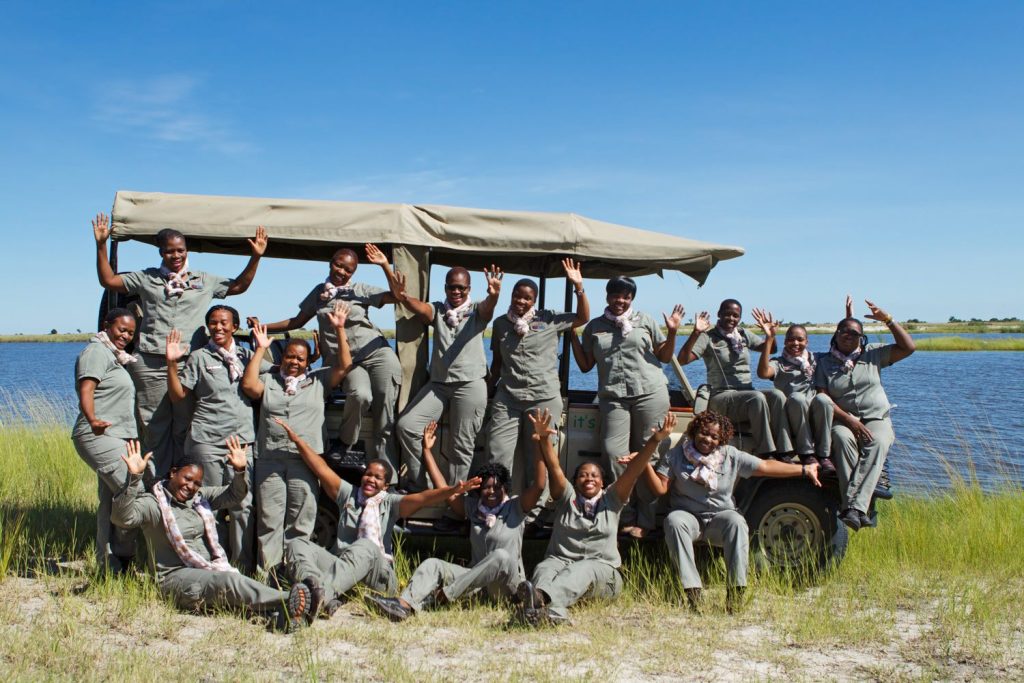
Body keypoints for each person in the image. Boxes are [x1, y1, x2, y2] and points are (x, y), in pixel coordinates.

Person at [92, 212, 268, 477]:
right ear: (161, 253)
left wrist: (256, 256)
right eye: (170, 252)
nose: (176, 256)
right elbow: (109, 281)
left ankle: (184, 485)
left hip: (189, 364)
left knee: (185, 426)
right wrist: (101, 244)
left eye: (181, 251)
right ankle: (158, 486)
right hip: (151, 362)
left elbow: (239, 286)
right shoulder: (147, 278)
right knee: (154, 427)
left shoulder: (202, 280)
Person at [275, 419, 480, 617]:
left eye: (378, 477)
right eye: (368, 474)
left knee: (365, 546)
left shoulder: (390, 502)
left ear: (385, 484)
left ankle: (317, 597)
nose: (371, 479)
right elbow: (321, 469)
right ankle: (317, 592)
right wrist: (298, 441)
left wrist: (453, 490)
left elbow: (423, 498)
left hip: (379, 576)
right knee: (297, 545)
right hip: (342, 564)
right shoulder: (349, 494)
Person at [111, 438, 312, 632]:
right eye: (187, 479)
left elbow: (234, 495)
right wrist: (133, 477)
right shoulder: (153, 504)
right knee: (228, 582)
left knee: (231, 588)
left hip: (209, 571)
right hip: (175, 579)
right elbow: (122, 519)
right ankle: (287, 599)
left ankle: (282, 616)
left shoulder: (199, 499)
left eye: (197, 483)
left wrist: (240, 470)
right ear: (173, 473)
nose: (190, 486)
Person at [634, 410, 820, 613]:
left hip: (720, 517)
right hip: (689, 516)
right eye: (704, 433)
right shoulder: (676, 455)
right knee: (674, 520)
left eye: (714, 437)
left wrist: (803, 469)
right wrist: (644, 465)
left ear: (721, 440)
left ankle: (736, 593)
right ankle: (693, 593)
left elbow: (765, 466)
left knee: (737, 522)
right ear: (694, 431)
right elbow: (660, 489)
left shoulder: (730, 456)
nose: (708, 439)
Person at [365, 419, 548, 621]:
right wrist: (427, 451)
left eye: (497, 487)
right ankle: (404, 605)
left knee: (501, 556)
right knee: (433, 564)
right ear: (479, 490)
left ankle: (446, 595)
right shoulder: (473, 508)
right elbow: (445, 491)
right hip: (475, 586)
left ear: (505, 488)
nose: (492, 491)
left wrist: (540, 443)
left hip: (506, 589)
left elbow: (539, 486)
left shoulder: (515, 507)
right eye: (486, 487)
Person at [247, 245, 403, 471]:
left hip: (376, 352)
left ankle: (387, 475)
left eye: (348, 270)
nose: (341, 271)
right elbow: (297, 322)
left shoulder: (360, 290)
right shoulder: (319, 294)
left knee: (385, 413)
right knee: (360, 395)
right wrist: (262, 327)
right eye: (338, 265)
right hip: (346, 361)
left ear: (353, 273)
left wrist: (384, 265)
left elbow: (397, 295)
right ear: (331, 262)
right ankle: (345, 442)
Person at [515, 409, 677, 626]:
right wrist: (544, 437)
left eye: (594, 475)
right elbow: (554, 467)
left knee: (584, 568)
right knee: (544, 568)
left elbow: (634, 470)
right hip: (560, 562)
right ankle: (549, 614)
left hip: (602, 573)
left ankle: (540, 600)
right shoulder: (566, 498)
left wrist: (655, 441)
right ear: (575, 480)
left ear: (602, 482)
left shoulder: (613, 499)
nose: (588, 478)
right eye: (583, 475)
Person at [241, 306, 353, 571]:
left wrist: (338, 328)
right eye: (290, 357)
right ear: (283, 359)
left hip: (306, 461)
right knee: (270, 519)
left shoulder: (318, 381)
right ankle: (268, 575)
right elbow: (248, 386)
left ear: (308, 362)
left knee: (301, 520)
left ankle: (297, 570)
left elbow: (345, 366)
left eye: (300, 359)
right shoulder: (269, 380)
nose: (294, 362)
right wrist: (260, 349)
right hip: (270, 459)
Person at [571, 275, 683, 538]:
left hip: (650, 394)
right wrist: (572, 336)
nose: (620, 301)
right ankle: (625, 513)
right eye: (616, 295)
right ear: (607, 296)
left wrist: (674, 332)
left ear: (632, 298)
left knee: (648, 454)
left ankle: (646, 519)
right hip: (614, 397)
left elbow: (664, 357)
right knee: (613, 452)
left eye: (626, 296)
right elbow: (586, 366)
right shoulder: (595, 327)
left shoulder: (645, 321)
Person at [383, 261, 503, 495]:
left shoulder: (477, 311)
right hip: (438, 385)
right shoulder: (438, 310)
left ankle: (455, 503)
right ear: (445, 288)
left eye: (462, 288)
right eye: (452, 287)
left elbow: (488, 308)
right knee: (407, 426)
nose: (456, 292)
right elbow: (419, 308)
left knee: (461, 446)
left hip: (470, 384)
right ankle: (422, 486)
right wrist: (404, 296)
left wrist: (495, 295)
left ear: (469, 289)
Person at [165, 305, 268, 571]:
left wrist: (263, 348)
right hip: (207, 442)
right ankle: (214, 566)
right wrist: (172, 364)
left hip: (241, 443)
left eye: (224, 323)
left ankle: (242, 569)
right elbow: (178, 397)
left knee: (242, 507)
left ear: (235, 327)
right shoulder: (199, 357)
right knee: (208, 507)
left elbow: (278, 374)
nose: (218, 328)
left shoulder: (248, 356)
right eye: (213, 323)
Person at [485, 259, 588, 500]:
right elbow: (498, 364)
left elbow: (583, 317)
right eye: (517, 296)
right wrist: (487, 391)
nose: (521, 301)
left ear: (534, 300)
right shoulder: (501, 324)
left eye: (527, 298)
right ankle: (497, 504)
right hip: (508, 398)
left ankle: (536, 513)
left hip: (542, 398)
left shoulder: (549, 319)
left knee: (539, 457)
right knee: (496, 452)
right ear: (511, 296)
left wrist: (579, 287)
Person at [815, 300, 914, 531]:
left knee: (878, 441)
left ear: (862, 337)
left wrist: (888, 319)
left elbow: (908, 347)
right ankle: (862, 509)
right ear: (836, 334)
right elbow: (823, 395)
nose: (848, 335)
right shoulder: (824, 362)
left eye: (854, 333)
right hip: (842, 420)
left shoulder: (873, 355)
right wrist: (849, 420)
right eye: (844, 331)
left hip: (876, 417)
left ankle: (853, 507)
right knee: (841, 439)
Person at [72, 308, 142, 573]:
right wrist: (92, 418)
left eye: (131, 333)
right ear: (107, 325)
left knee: (111, 501)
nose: (125, 336)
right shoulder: (96, 352)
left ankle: (107, 564)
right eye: (121, 329)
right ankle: (125, 557)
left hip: (115, 435)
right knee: (132, 493)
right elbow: (86, 387)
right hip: (99, 433)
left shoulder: (115, 356)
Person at [677, 299, 792, 458]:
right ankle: (766, 452)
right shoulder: (708, 337)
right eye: (727, 314)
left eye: (735, 316)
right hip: (721, 396)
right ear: (719, 314)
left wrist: (770, 335)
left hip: (746, 394)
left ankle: (785, 450)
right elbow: (682, 360)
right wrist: (695, 333)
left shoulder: (743, 335)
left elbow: (771, 349)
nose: (731, 318)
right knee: (757, 398)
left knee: (777, 396)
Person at [751, 309, 836, 471]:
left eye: (800, 340)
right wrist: (769, 339)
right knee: (797, 398)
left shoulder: (815, 359)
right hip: (792, 412)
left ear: (807, 342)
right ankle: (806, 453)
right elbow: (763, 373)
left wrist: (848, 317)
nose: (795, 343)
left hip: (813, 410)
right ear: (785, 342)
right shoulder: (780, 363)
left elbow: (839, 348)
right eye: (791, 340)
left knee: (824, 399)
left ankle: (824, 455)